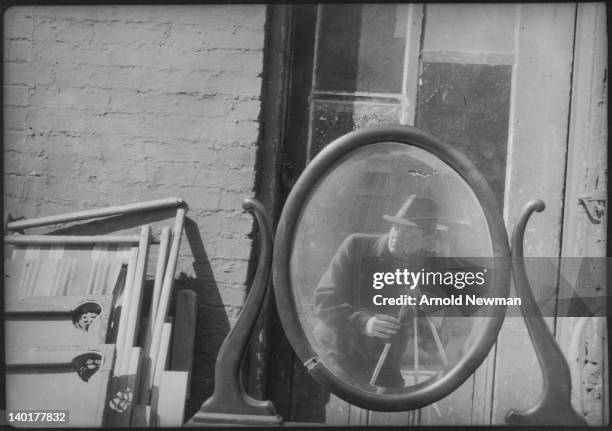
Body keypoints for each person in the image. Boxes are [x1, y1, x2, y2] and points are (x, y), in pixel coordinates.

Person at [313, 195, 443, 388]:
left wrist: (432, 310)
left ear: (427, 240)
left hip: (384, 369)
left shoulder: (427, 270)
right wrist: (364, 323)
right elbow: (324, 301)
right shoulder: (356, 246)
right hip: (334, 360)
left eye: (410, 233)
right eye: (396, 227)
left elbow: (430, 346)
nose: (397, 236)